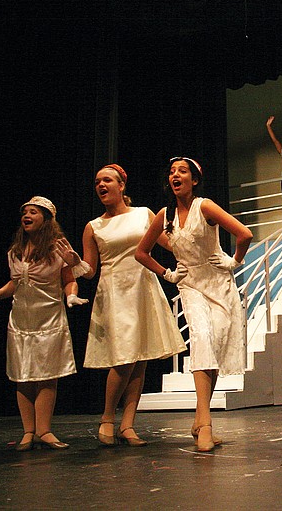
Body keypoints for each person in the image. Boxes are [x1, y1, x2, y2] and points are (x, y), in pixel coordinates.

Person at [59, 164, 186, 447]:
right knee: (125, 358)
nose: (101, 185)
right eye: (97, 182)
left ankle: (127, 424)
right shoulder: (93, 226)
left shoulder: (143, 214)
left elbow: (170, 244)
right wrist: (75, 264)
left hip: (143, 286)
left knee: (140, 358)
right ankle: (107, 418)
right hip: (114, 292)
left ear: (121, 185)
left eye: (107, 180)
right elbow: (90, 271)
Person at [136, 157, 253, 452]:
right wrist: (168, 273)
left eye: (182, 171)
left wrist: (234, 261)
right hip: (190, 285)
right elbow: (141, 252)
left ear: (195, 179)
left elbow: (245, 234)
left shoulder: (205, 207)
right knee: (201, 338)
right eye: (172, 171)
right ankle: (206, 425)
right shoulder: (165, 216)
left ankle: (200, 419)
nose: (175, 175)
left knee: (213, 346)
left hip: (219, 285)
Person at [0, 196, 85, 451]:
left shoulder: (57, 249)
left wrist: (72, 296)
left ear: (46, 218)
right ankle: (28, 431)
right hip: (21, 320)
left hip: (49, 318)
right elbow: (16, 283)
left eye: (33, 212)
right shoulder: (16, 251)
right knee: (22, 375)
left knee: (47, 376)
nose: (26, 216)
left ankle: (44, 431)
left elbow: (69, 279)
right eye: (24, 212)